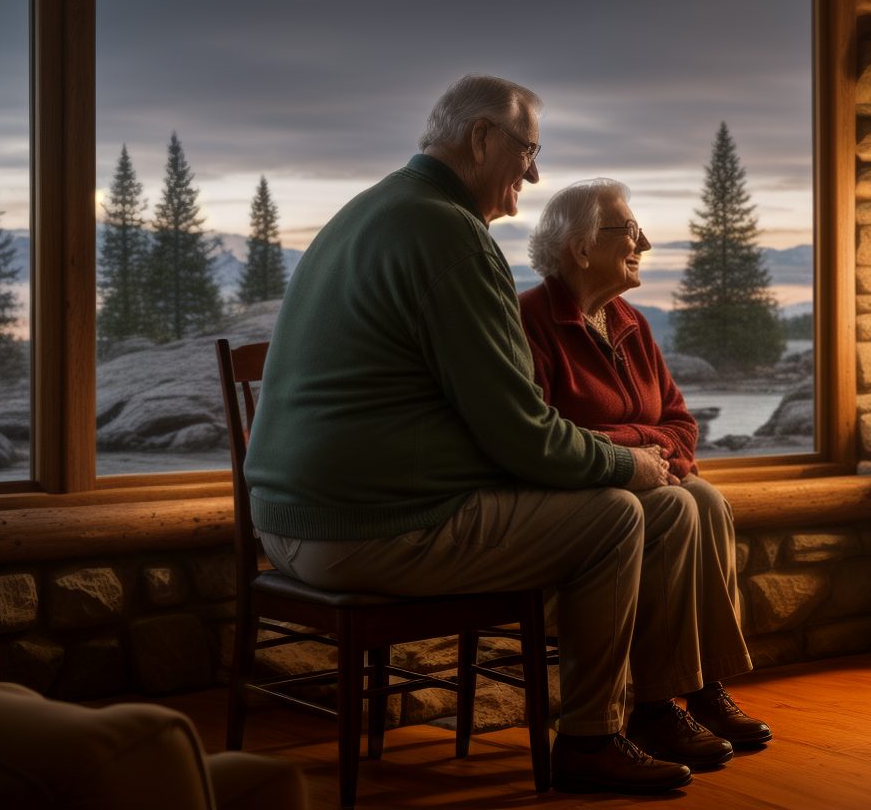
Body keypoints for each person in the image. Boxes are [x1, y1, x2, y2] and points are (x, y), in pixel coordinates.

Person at [243, 74, 698, 795]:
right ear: (482, 138)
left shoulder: (371, 211)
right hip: (369, 528)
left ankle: (657, 707)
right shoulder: (451, 235)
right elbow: (520, 432)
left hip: (285, 524)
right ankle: (590, 739)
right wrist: (626, 465)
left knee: (656, 505)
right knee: (615, 518)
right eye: (529, 150)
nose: (537, 172)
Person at [518, 179, 772, 767]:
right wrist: (636, 449)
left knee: (706, 498)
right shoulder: (530, 321)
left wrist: (643, 450)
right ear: (581, 249)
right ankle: (657, 706)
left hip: (638, 486)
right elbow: (542, 438)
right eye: (630, 231)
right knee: (684, 505)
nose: (646, 242)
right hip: (580, 506)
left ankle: (701, 686)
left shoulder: (629, 320)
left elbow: (682, 425)